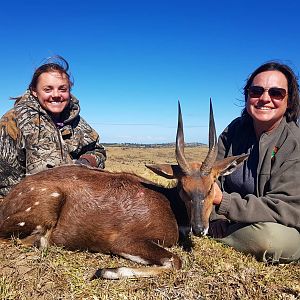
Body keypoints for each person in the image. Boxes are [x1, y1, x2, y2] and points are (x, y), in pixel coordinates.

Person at [209, 61, 300, 264]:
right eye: (256, 91)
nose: (265, 99)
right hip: (233, 217)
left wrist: (222, 202)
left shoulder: (294, 143)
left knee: (269, 240)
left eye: (276, 93)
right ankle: (215, 228)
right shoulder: (234, 130)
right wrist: (216, 216)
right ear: (247, 96)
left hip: (281, 225)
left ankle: (213, 234)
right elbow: (212, 178)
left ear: (290, 101)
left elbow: (285, 208)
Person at [0, 56, 106, 199]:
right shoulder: (14, 121)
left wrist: (85, 163)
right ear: (34, 91)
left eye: (62, 89)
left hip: (73, 202)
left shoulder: (77, 121)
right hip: (29, 206)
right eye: (48, 89)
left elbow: (97, 150)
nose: (56, 95)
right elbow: (5, 184)